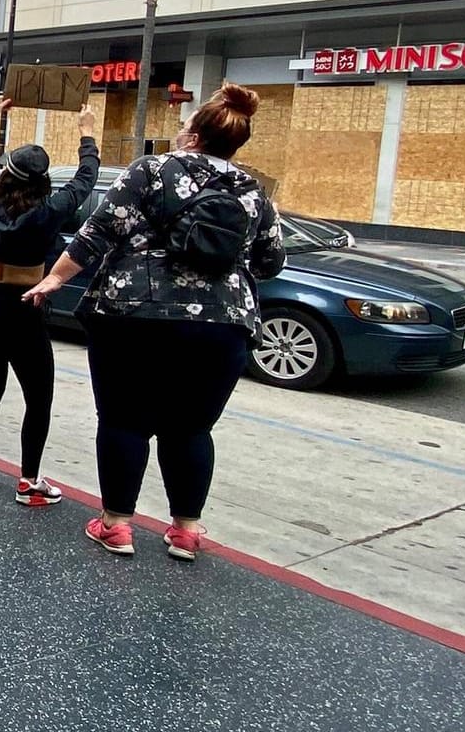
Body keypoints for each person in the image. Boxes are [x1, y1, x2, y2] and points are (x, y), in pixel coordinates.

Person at [23, 84, 286, 561]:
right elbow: (270, 263)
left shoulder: (150, 170)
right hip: (220, 324)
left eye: (184, 127)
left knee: (124, 421)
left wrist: (53, 281)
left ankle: (117, 526)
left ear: (194, 136)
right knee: (191, 429)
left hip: (133, 316)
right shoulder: (253, 191)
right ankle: (185, 531)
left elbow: (98, 232)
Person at [0, 98, 100, 505]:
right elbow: (85, 179)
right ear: (41, 182)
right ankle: (29, 482)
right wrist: (86, 131)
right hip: (24, 305)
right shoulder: (50, 209)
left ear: (7, 176)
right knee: (38, 397)